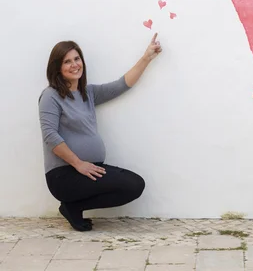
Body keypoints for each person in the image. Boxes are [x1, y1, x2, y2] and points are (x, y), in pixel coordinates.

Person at [39, 33, 162, 231]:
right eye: (67, 61)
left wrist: (147, 57)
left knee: (134, 184)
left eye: (77, 59)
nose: (74, 65)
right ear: (57, 68)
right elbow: (50, 136)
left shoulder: (87, 93)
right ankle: (72, 205)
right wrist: (78, 164)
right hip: (64, 175)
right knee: (131, 185)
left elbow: (122, 85)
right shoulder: (50, 96)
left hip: (89, 168)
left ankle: (73, 207)